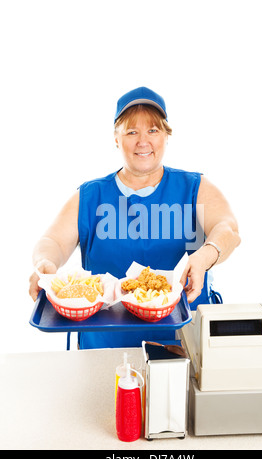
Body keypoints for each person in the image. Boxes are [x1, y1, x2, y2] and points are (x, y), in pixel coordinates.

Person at [29, 86, 241, 348]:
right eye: (132, 132)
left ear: (166, 136)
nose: (143, 141)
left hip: (184, 342)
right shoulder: (90, 196)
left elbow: (228, 230)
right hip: (104, 345)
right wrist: (45, 263)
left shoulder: (193, 188)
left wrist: (204, 257)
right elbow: (53, 241)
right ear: (116, 138)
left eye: (153, 130)